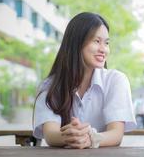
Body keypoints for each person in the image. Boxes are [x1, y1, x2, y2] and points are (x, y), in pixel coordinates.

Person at [33, 12, 136, 149]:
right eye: (97, 41)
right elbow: (50, 134)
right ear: (77, 43)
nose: (103, 49)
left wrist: (90, 138)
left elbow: (116, 134)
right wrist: (72, 135)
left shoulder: (116, 80)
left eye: (106, 43)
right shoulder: (50, 85)